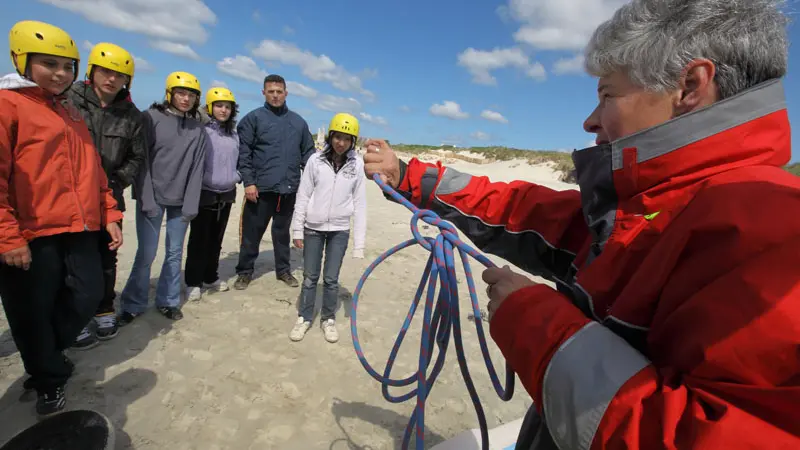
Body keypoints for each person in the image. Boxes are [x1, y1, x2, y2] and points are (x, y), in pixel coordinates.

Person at [363, 0, 800, 448]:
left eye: (608, 94)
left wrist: (533, 320)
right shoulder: (650, 211)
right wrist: (410, 176)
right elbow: (524, 211)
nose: (590, 121)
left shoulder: (772, 235)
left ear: (690, 86)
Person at [0, 20, 123, 416]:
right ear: (22, 61)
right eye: (49, 64)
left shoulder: (69, 113)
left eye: (67, 66)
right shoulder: (7, 106)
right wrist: (8, 236)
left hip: (79, 226)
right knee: (31, 310)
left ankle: (46, 355)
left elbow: (93, 170)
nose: (60, 74)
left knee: (87, 295)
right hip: (30, 231)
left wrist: (110, 212)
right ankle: (48, 380)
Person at [66, 42, 146, 348]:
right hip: (69, 195)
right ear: (91, 71)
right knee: (70, 258)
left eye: (119, 75)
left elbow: (137, 158)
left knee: (106, 255)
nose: (111, 79)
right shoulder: (68, 101)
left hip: (110, 196)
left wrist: (115, 183)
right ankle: (74, 316)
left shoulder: (131, 115)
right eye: (105, 72)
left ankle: (104, 309)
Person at [119, 71, 209, 324]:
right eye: (181, 92)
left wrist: (191, 204)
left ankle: (168, 301)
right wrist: (145, 197)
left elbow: (197, 168)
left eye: (191, 95)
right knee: (146, 254)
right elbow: (142, 160)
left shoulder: (197, 129)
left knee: (174, 254)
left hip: (181, 203)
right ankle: (133, 302)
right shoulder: (151, 118)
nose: (186, 98)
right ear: (170, 93)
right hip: (154, 198)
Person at [289, 113, 367, 343]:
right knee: (310, 277)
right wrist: (297, 230)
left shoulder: (357, 165)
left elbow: (360, 204)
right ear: (330, 136)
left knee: (331, 279)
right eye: (337, 137)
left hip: (340, 230)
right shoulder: (315, 161)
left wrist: (359, 245)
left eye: (346, 138)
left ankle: (327, 319)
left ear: (352, 141)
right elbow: (303, 196)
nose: (340, 143)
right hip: (312, 228)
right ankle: (304, 317)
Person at [234, 74, 316, 290]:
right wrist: (249, 182)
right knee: (252, 234)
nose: (275, 95)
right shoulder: (253, 119)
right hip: (260, 190)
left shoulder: (298, 122)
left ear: (286, 93)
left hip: (289, 190)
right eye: (271, 91)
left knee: (282, 233)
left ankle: (283, 270)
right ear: (264, 93)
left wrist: (316, 182)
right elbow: (243, 154)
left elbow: (309, 154)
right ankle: (245, 271)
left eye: (279, 91)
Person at [185, 86, 241, 301]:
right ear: (209, 107)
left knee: (216, 239)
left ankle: (210, 276)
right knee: (199, 239)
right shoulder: (202, 131)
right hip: (205, 192)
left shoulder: (233, 135)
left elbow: (238, 160)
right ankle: (193, 281)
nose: (223, 110)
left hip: (226, 193)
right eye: (219, 106)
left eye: (227, 107)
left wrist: (236, 176)